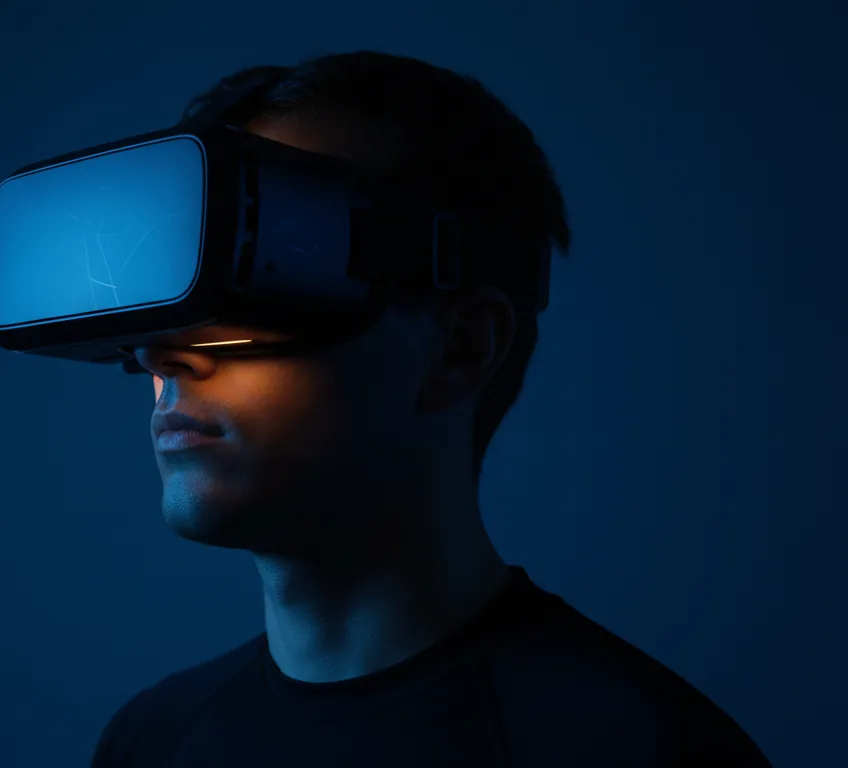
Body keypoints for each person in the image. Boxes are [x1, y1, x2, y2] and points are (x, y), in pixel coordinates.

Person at [89, 51, 772, 767]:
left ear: (460, 347)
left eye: (268, 272)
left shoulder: (644, 751)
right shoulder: (148, 742)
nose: (169, 354)